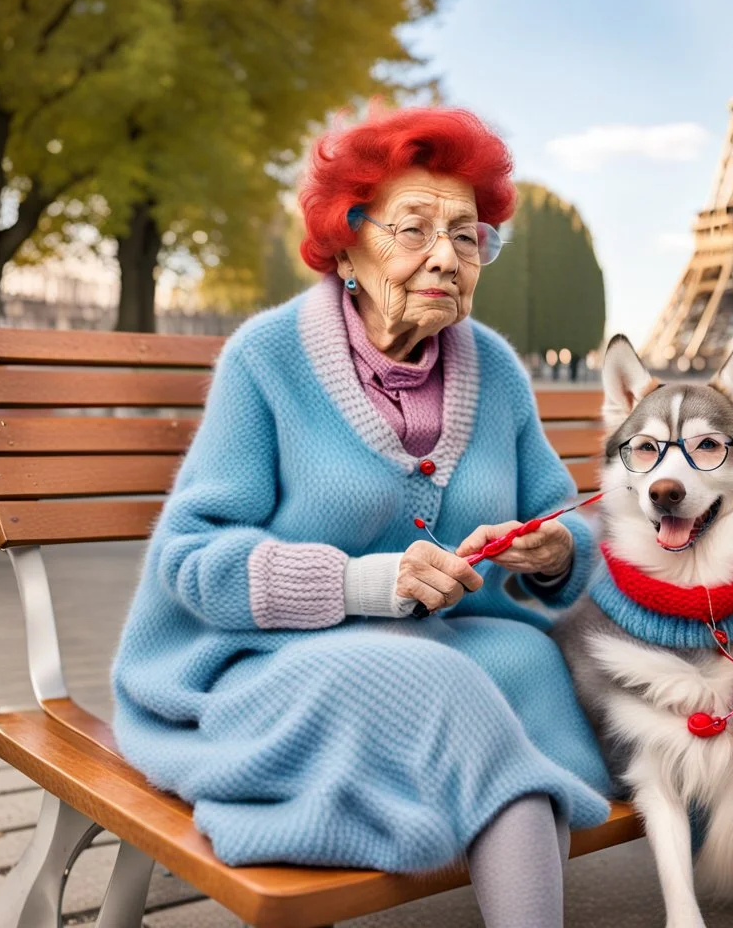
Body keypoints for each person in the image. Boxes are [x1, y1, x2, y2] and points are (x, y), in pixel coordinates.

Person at [111, 107, 611, 928]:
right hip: (256, 660)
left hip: (443, 642)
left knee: (528, 666)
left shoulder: (495, 370)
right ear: (346, 242)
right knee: (448, 685)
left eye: (466, 235)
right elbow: (193, 561)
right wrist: (368, 581)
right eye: (413, 230)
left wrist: (555, 550)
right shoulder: (267, 359)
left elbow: (559, 518)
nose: (446, 257)